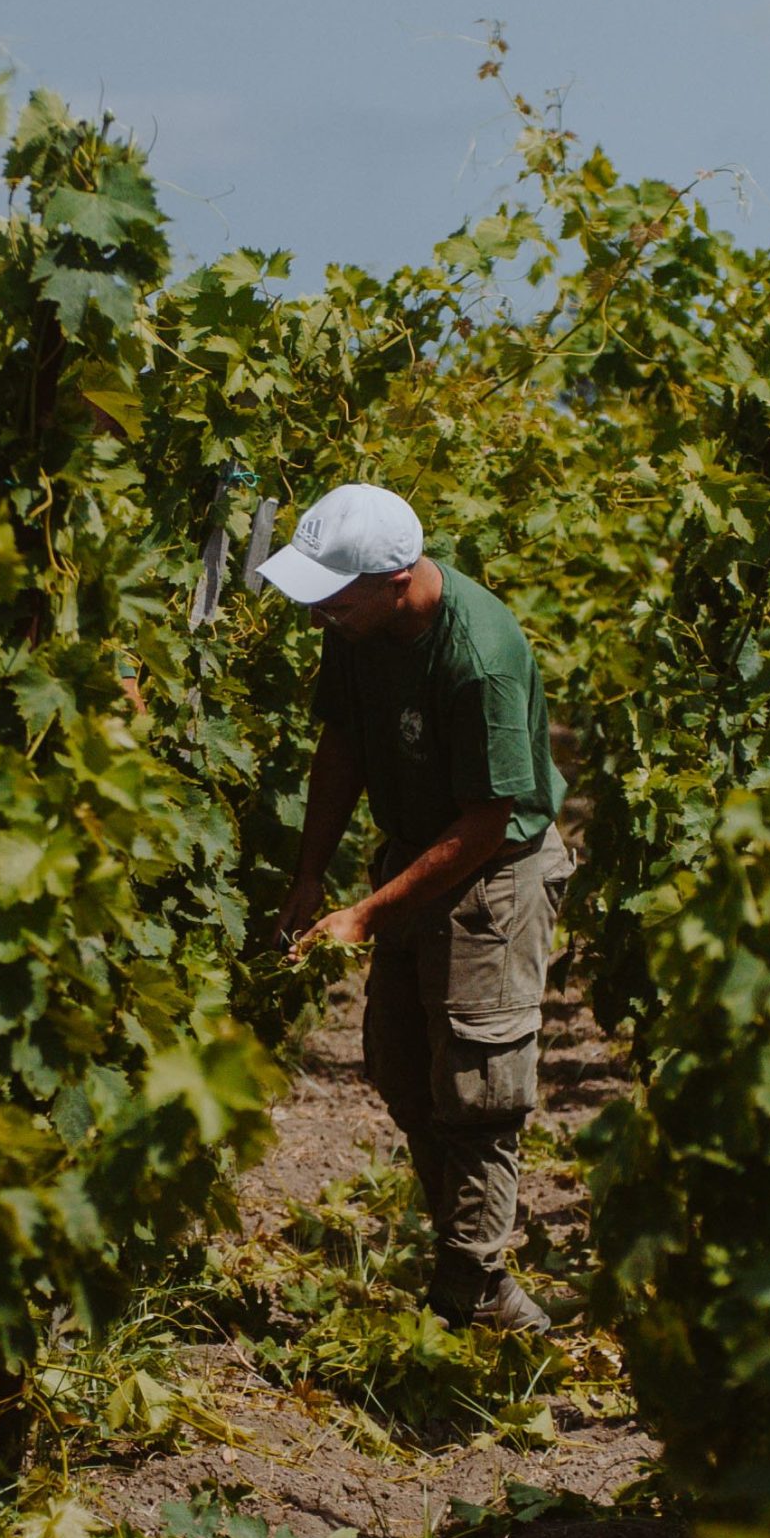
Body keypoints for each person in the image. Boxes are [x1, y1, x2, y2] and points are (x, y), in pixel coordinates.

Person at [259, 481, 572, 1333]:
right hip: (416, 855)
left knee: (478, 1085)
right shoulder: (355, 626)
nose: (319, 613)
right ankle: (469, 1258)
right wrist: (310, 875)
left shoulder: (481, 657)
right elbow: (343, 742)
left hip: (495, 867)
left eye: (334, 598)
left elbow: (488, 822)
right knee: (401, 1067)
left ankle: (475, 1287)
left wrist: (365, 915)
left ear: (397, 582)